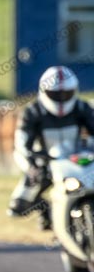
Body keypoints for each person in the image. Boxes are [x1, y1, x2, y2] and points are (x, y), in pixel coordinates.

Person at [8, 66, 94, 230]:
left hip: (76, 161)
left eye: (66, 94)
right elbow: (21, 145)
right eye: (56, 94)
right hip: (45, 163)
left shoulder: (82, 108)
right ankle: (47, 211)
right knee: (17, 207)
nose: (61, 99)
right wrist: (32, 166)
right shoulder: (32, 112)